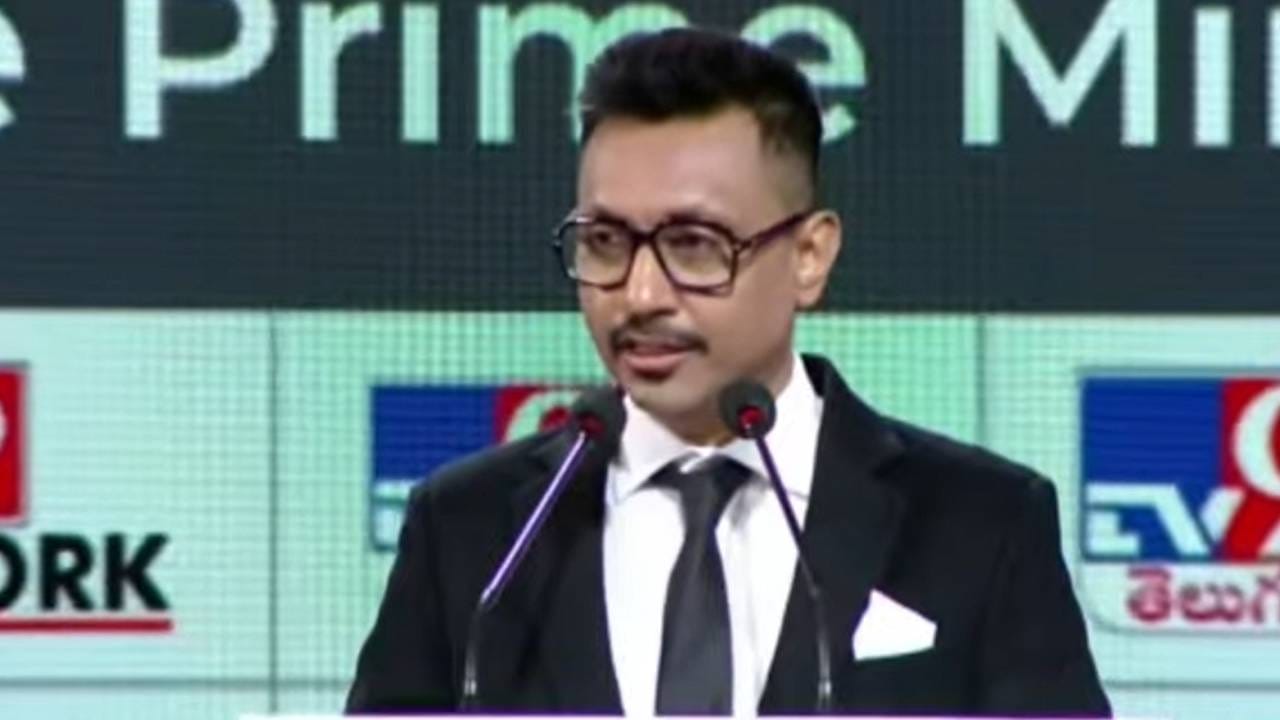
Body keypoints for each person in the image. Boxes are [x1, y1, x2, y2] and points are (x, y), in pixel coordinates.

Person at [347, 27, 1111, 716]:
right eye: (605, 242)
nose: (640, 296)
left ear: (809, 256)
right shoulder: (475, 533)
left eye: (694, 244)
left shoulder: (982, 527)